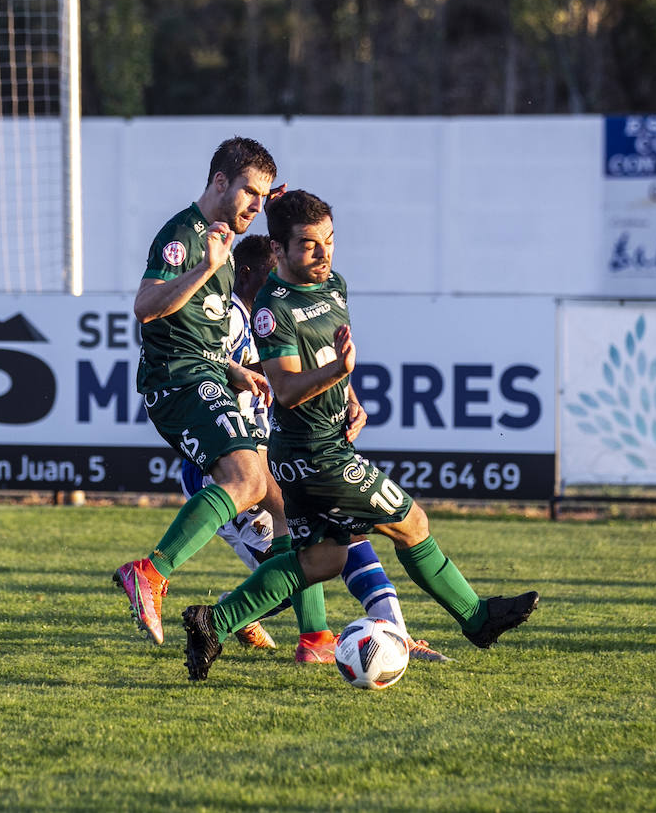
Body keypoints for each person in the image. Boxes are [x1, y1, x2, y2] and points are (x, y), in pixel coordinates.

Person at [180, 189, 539, 681]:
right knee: (412, 522)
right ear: (278, 251)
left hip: (320, 446)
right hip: (314, 453)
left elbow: (327, 365)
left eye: (329, 241)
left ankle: (214, 622)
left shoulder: (335, 287)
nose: (324, 253)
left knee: (323, 558)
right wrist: (339, 372)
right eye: (309, 246)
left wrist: (347, 396)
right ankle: (477, 618)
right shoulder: (272, 309)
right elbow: (284, 389)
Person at [179, 234, 450, 663]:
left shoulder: (285, 314)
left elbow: (316, 371)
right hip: (230, 465)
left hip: (278, 457)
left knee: (344, 536)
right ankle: (250, 621)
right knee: (296, 569)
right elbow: (195, 363)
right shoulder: (232, 313)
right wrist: (245, 371)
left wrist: (349, 400)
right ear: (248, 275)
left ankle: (396, 635)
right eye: (275, 275)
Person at [114, 136, 331, 651]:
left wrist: (235, 370)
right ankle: (151, 571)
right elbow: (146, 308)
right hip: (177, 381)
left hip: (206, 374)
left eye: (262, 197)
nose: (256, 206)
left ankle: (316, 636)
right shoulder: (184, 236)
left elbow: (199, 331)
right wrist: (205, 267)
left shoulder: (225, 243)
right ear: (219, 182)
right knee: (247, 479)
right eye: (249, 193)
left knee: (285, 498)